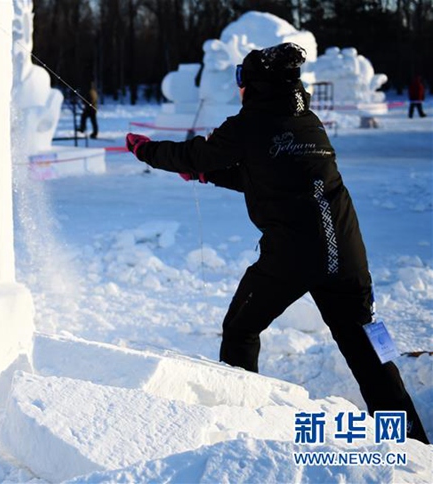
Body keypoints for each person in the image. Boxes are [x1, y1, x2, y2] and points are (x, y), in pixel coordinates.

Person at [126, 43, 429, 444]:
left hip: (293, 251)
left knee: (239, 330)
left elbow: (197, 154)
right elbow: (273, 176)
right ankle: (413, 444)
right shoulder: (309, 121)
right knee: (373, 349)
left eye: (241, 80)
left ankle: (241, 429)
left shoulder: (250, 123)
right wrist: (206, 176)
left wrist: (146, 150)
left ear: (253, 85)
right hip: (347, 248)